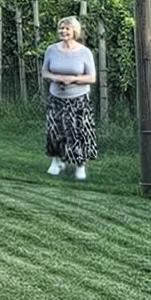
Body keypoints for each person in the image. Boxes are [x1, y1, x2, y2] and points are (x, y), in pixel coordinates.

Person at [40, 16, 98, 181]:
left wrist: (73, 80)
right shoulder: (51, 50)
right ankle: (57, 161)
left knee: (78, 131)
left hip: (78, 97)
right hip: (56, 96)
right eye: (61, 28)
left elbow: (91, 77)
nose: (63, 31)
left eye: (67, 29)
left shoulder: (84, 52)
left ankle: (80, 166)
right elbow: (44, 72)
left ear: (74, 31)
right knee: (55, 130)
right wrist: (57, 77)